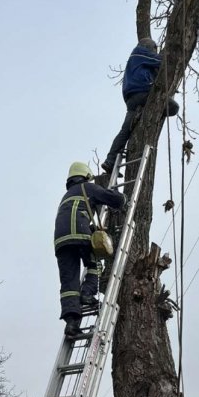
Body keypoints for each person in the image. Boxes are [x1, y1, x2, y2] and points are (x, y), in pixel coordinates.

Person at [54, 161, 126, 338]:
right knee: (94, 263)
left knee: (69, 281)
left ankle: (71, 323)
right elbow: (113, 199)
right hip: (79, 232)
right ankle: (87, 294)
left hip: (61, 240)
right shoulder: (87, 187)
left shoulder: (66, 196)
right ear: (86, 175)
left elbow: (76, 212)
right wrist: (124, 200)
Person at [102, 37, 179, 174]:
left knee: (125, 131)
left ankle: (110, 160)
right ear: (149, 47)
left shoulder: (137, 60)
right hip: (142, 92)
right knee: (174, 107)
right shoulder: (140, 52)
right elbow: (162, 61)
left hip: (132, 99)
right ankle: (151, 114)